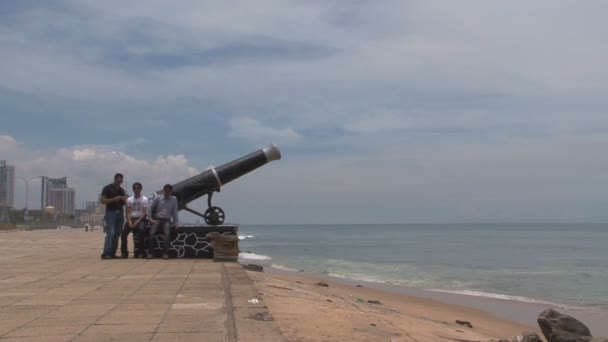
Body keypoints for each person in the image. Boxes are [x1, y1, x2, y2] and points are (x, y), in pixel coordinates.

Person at [147, 184, 179, 259]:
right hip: (157, 219)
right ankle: (151, 253)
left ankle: (165, 253)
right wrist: (150, 219)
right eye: (166, 190)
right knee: (151, 233)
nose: (167, 192)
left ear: (171, 191)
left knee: (167, 234)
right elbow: (149, 207)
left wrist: (176, 223)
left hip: (166, 220)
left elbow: (175, 211)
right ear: (164, 190)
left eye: (169, 191)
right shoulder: (158, 198)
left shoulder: (174, 199)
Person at [100, 173, 127, 259]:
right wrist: (113, 199)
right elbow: (102, 200)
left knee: (117, 233)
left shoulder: (122, 190)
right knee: (110, 233)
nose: (119, 182)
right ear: (115, 179)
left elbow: (124, 203)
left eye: (121, 181)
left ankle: (112, 253)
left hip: (120, 213)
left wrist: (124, 200)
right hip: (111, 213)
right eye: (118, 180)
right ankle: (106, 253)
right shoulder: (107, 188)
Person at [119, 182, 149, 258]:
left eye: (138, 188)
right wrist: (129, 221)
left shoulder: (144, 199)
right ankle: (124, 252)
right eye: (135, 188)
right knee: (123, 234)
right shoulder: (129, 199)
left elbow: (145, 212)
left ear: (141, 189)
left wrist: (138, 221)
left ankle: (141, 252)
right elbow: (128, 211)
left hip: (141, 219)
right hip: (132, 218)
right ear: (133, 189)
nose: (137, 190)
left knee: (142, 232)